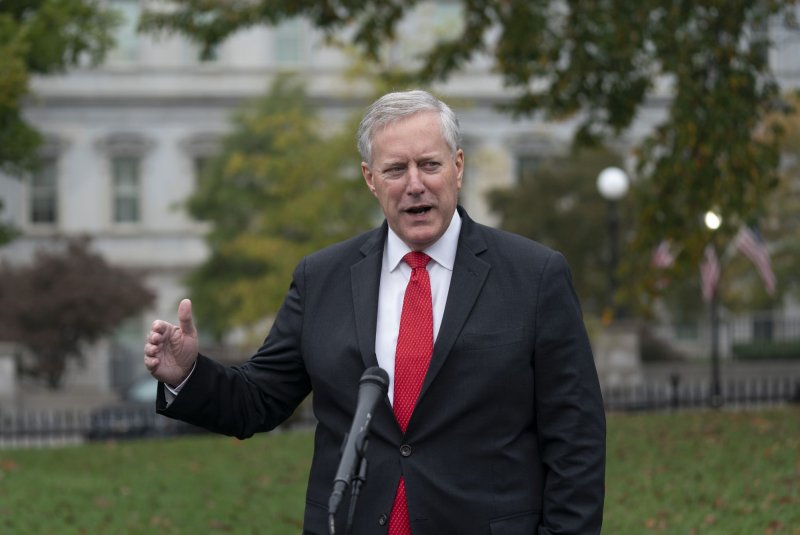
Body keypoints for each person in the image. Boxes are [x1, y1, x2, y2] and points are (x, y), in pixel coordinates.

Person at [144, 89, 605, 534]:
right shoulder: (321, 278)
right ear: (370, 178)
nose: (414, 184)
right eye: (395, 169)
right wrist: (187, 373)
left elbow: (576, 440)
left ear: (458, 167)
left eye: (429, 164)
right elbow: (257, 400)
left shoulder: (534, 276)